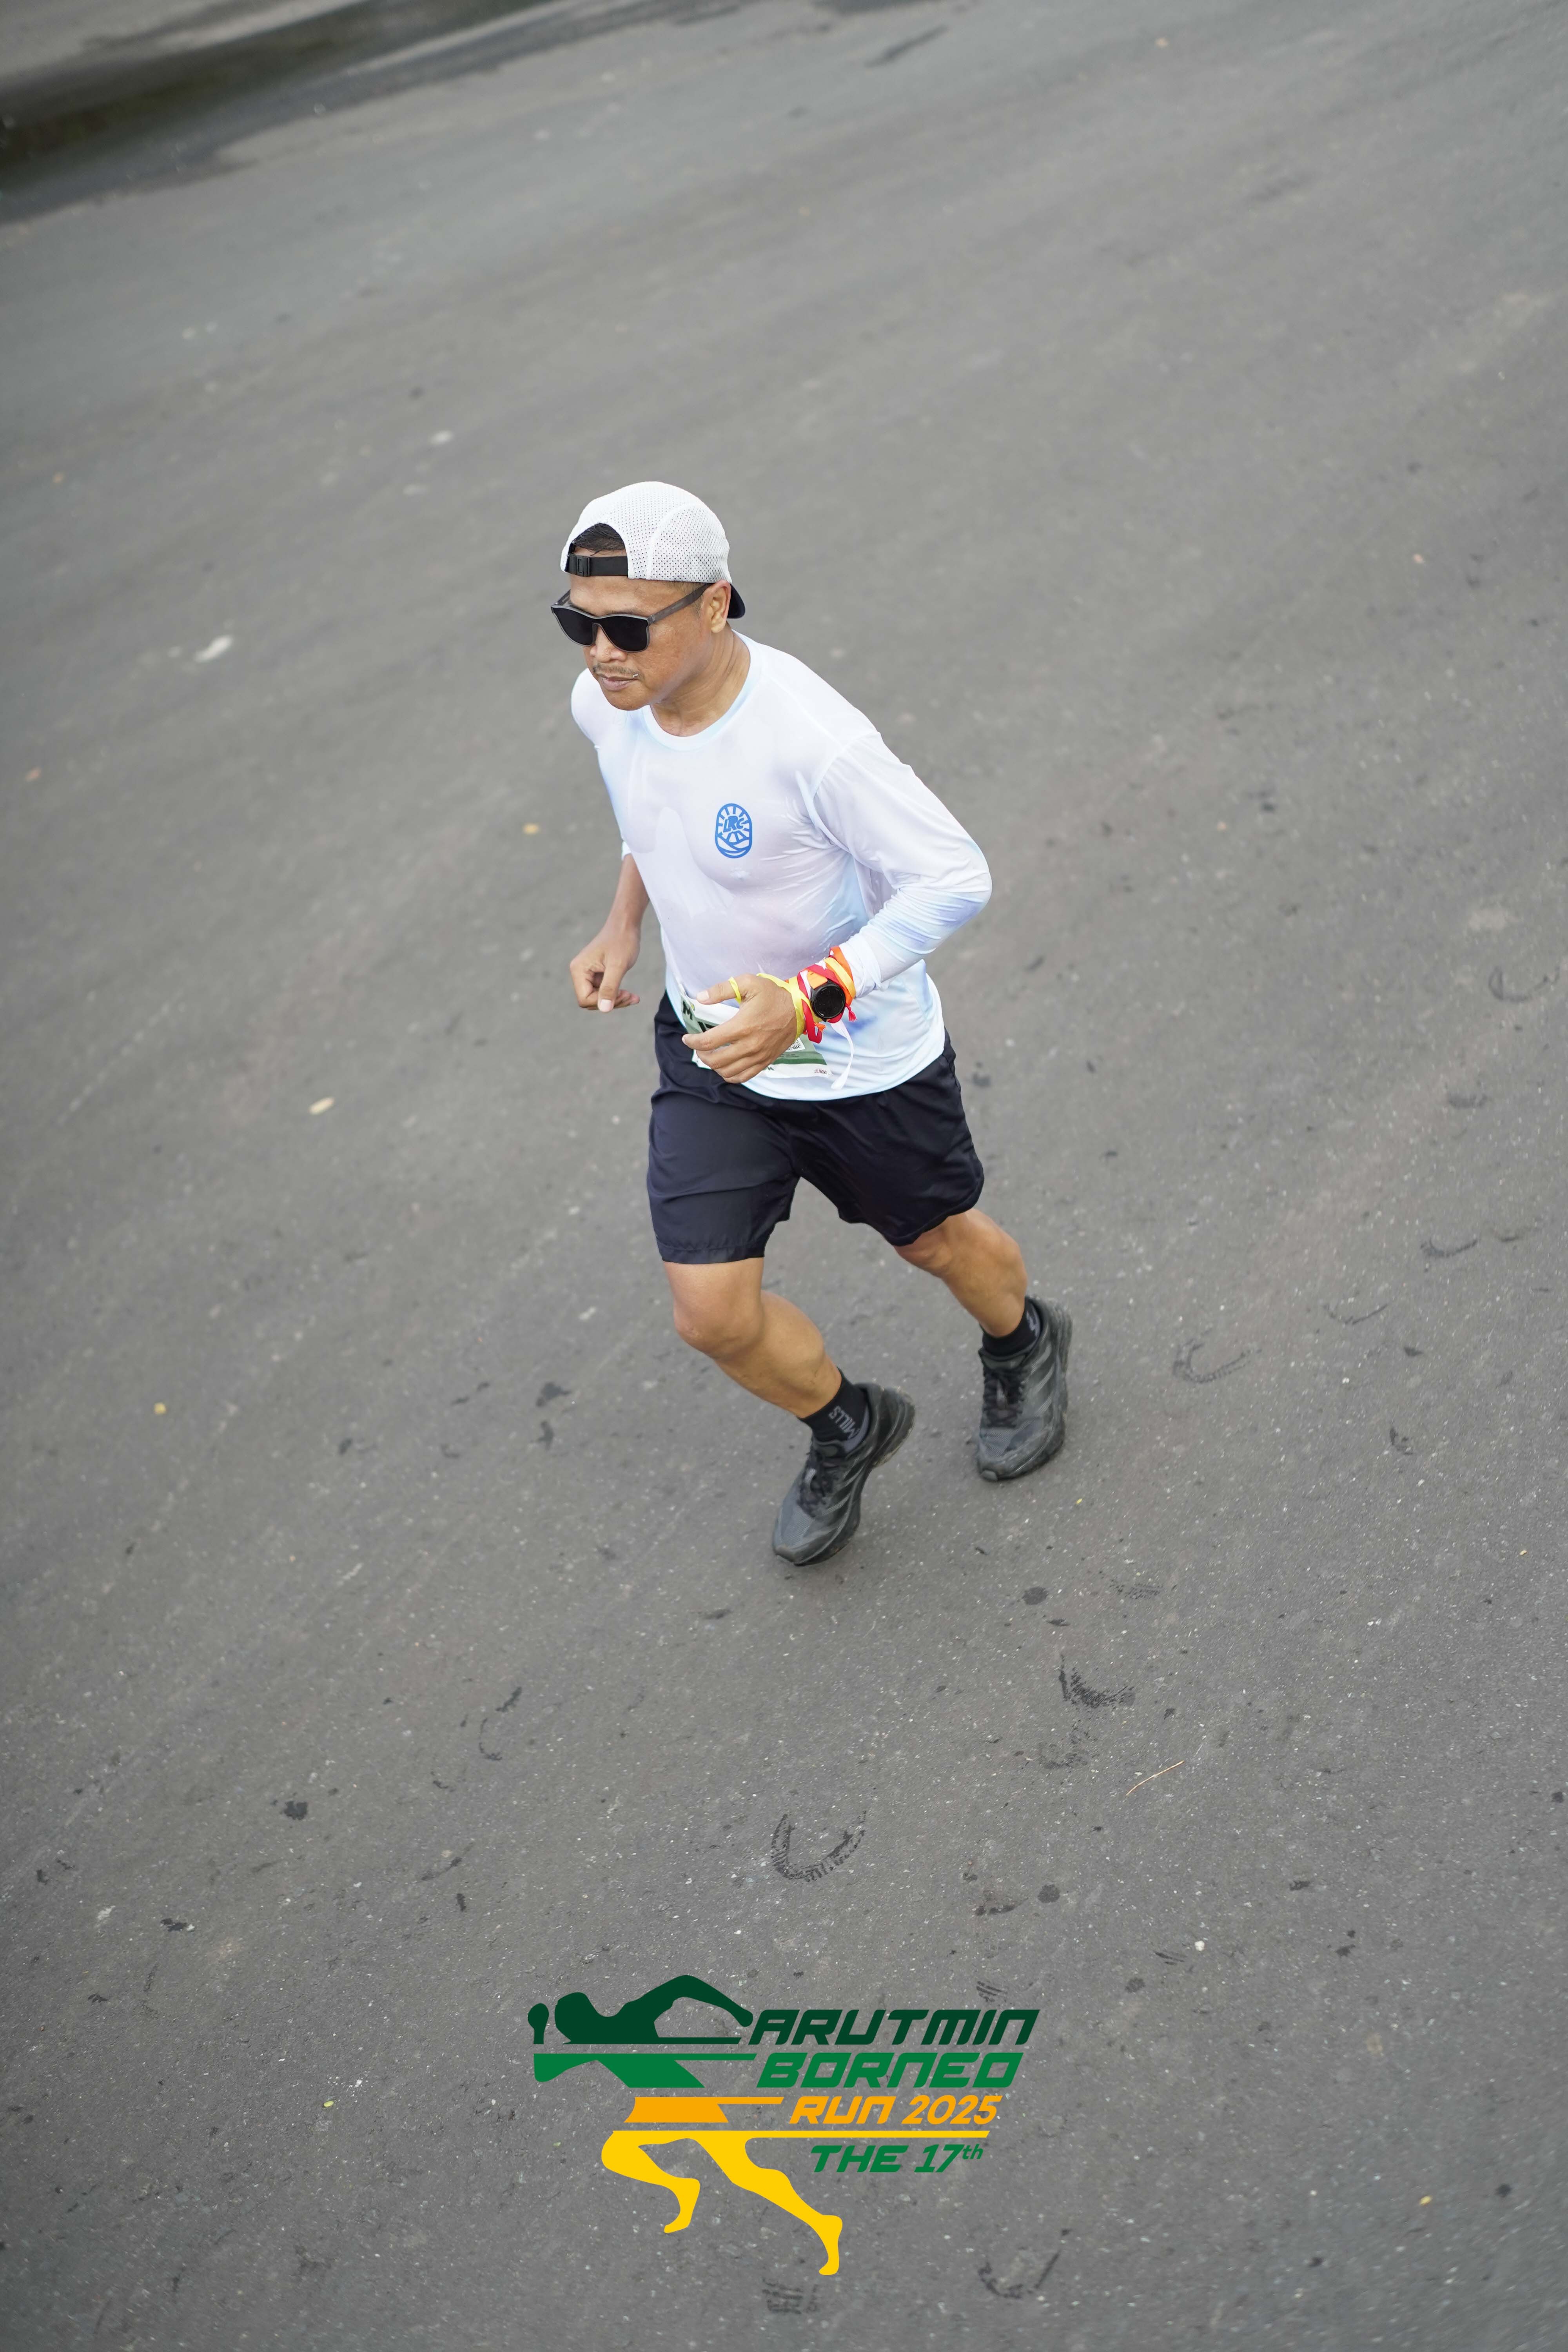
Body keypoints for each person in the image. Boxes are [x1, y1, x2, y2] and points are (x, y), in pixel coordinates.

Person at [559, 481, 1070, 1564]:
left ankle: (1024, 1341)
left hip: (861, 1064)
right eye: (579, 622)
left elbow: (954, 878)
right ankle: (847, 1423)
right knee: (710, 1315)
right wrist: (623, 923)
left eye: (627, 627)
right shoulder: (607, 703)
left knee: (935, 1241)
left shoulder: (810, 739)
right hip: (715, 1050)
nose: (601, 653)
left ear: (715, 604)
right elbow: (652, 817)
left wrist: (807, 1001)